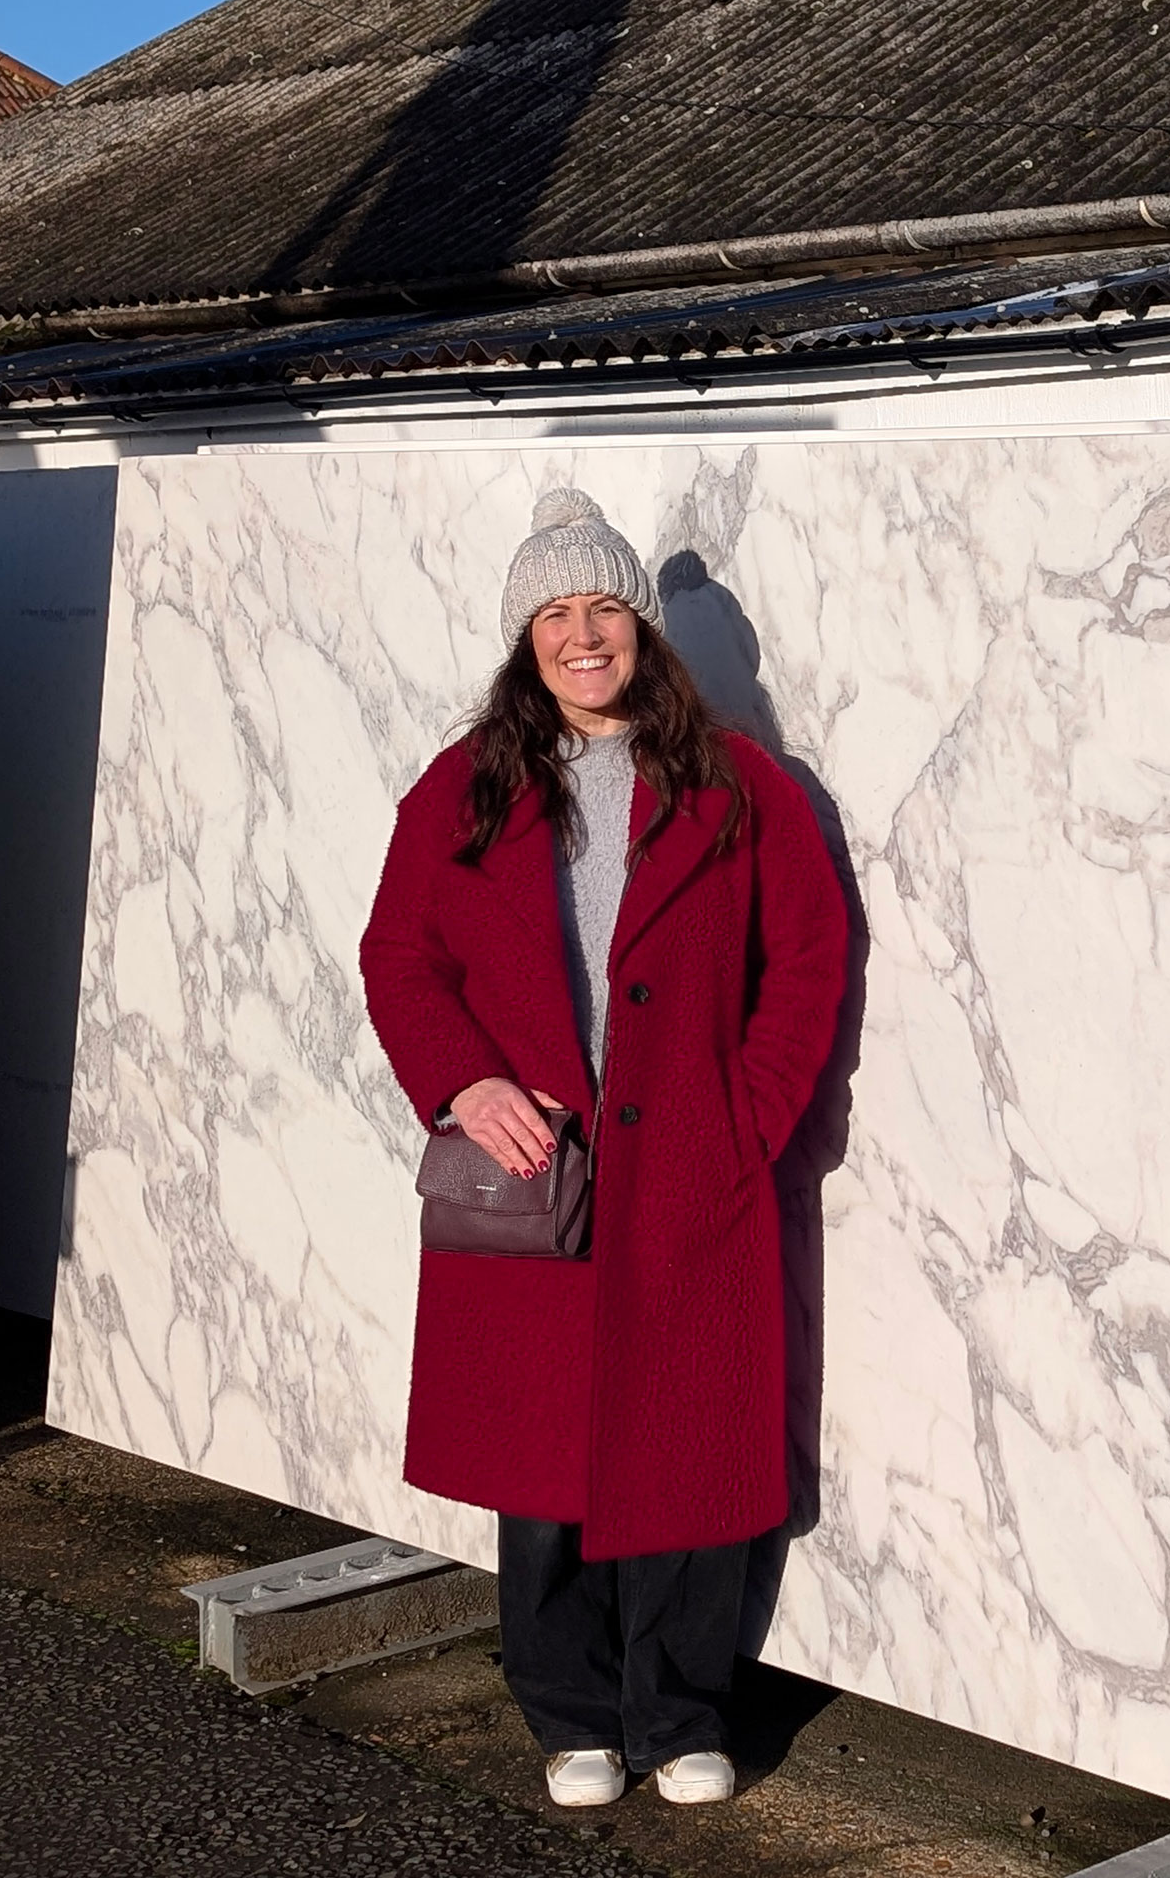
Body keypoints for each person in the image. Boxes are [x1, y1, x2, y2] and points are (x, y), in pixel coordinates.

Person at [359, 487, 849, 1810]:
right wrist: (463, 1084)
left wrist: (745, 1114)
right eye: (554, 615)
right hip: (540, 1182)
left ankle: (685, 1713)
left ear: (640, 625)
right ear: (525, 642)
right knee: (546, 1459)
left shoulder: (742, 788)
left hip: (693, 1172)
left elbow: (808, 959)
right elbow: (401, 958)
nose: (583, 636)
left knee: (691, 1454)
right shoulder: (464, 788)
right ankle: (573, 1712)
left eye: (603, 608)